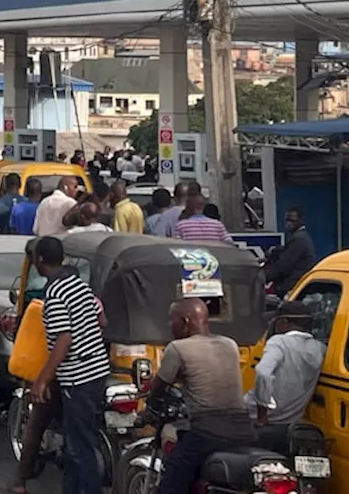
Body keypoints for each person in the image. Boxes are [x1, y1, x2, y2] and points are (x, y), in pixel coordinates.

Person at [144, 298, 256, 494]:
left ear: (186, 322)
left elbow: (159, 387)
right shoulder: (229, 344)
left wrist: (149, 404)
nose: (171, 326)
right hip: (243, 430)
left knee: (171, 483)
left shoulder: (178, 348)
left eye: (172, 321)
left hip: (206, 433)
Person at [30, 235, 109, 494]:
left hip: (79, 378)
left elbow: (63, 339)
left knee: (80, 446)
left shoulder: (54, 295)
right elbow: (102, 321)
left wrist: (42, 379)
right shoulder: (78, 285)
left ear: (40, 261)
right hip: (97, 371)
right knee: (76, 442)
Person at [245, 299, 326, 432]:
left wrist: (262, 415)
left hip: (253, 414)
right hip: (291, 419)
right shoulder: (320, 348)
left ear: (284, 322)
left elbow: (263, 373)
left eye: (276, 321)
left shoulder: (279, 342)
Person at [265, 206, 317, 298]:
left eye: (292, 221)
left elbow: (284, 265)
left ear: (301, 220)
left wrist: (265, 277)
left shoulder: (298, 239)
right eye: (287, 220)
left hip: (293, 287)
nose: (288, 223)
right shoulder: (300, 237)